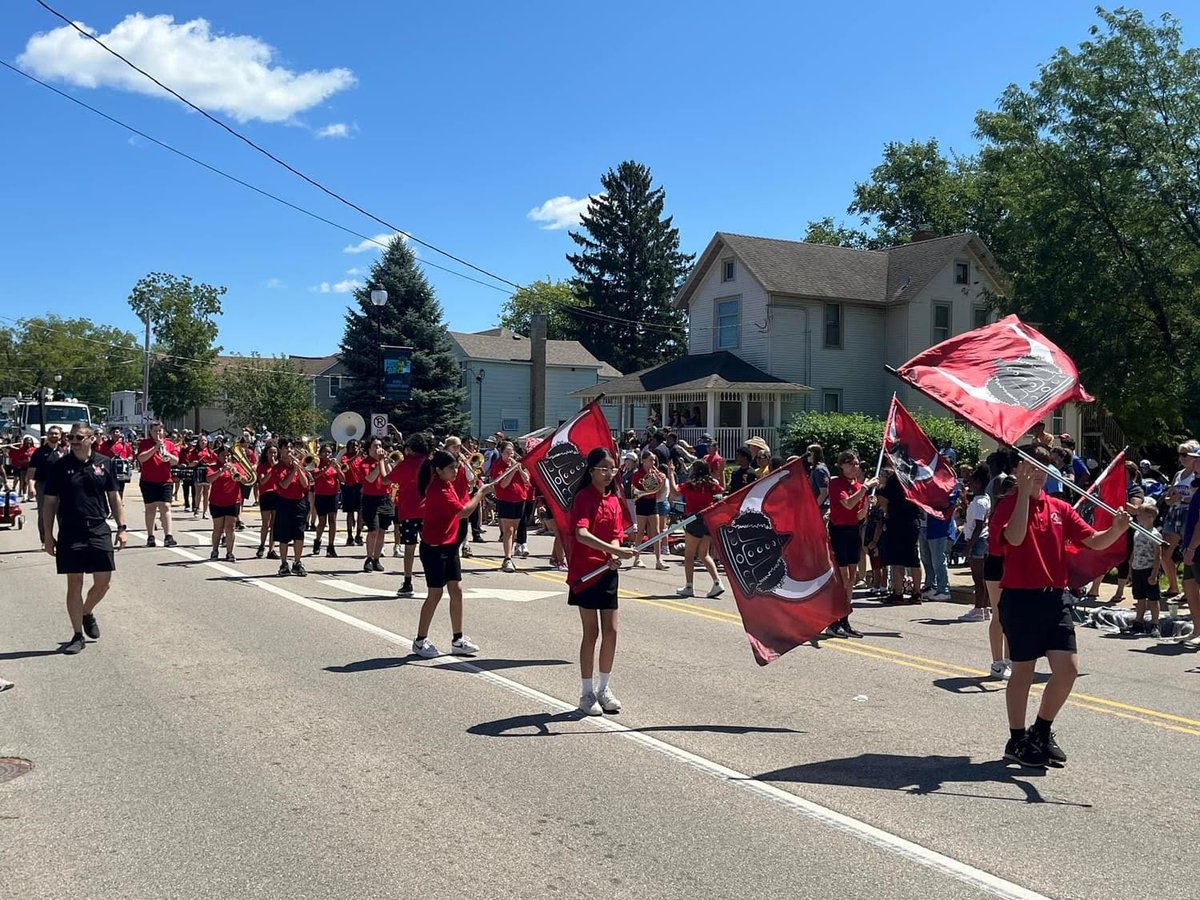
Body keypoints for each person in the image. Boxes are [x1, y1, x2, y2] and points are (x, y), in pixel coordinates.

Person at [992, 443, 1130, 768]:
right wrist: (1024, 495)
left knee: (1068, 669)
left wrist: (1117, 529)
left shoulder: (1060, 507)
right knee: (1023, 670)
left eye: (1041, 465)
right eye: (1029, 466)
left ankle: (1041, 730)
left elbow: (1094, 541)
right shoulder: (1007, 506)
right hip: (1020, 597)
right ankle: (1016, 738)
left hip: (1055, 597)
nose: (1037, 471)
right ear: (1016, 470)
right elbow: (1013, 538)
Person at [41, 424, 128, 654]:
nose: (74, 441)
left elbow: (114, 497)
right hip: (70, 530)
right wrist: (48, 535)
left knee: (103, 582)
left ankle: (87, 611)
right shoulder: (60, 466)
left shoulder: (104, 463)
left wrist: (122, 527)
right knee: (74, 583)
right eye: (71, 437)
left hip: (98, 527)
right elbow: (49, 502)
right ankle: (77, 634)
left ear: (91, 439)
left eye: (79, 437)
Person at [567, 447, 637, 716]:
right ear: (592, 470)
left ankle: (604, 687)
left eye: (612, 469)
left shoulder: (614, 500)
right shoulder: (584, 498)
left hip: (607, 571)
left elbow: (617, 535)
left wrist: (615, 552)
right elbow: (581, 533)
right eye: (604, 468)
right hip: (586, 573)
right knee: (591, 632)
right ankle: (586, 692)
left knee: (612, 630)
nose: (609, 473)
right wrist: (616, 551)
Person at [409, 450, 496, 657]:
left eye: (456, 466)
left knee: (456, 590)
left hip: (449, 546)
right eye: (451, 468)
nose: (455, 470)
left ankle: (458, 639)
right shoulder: (439, 490)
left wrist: (476, 486)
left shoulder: (447, 484)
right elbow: (464, 511)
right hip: (434, 549)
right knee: (435, 593)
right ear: (438, 470)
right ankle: (420, 640)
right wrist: (480, 494)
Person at [826, 451, 877, 636]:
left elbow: (858, 516)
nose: (856, 467)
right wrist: (863, 489)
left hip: (853, 531)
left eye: (857, 464)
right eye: (853, 464)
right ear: (843, 465)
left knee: (851, 578)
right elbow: (846, 504)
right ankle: (833, 620)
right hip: (838, 531)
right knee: (842, 578)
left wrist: (867, 504)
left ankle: (845, 620)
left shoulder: (857, 485)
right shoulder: (836, 483)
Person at [667, 459, 725, 599]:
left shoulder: (690, 485)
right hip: (707, 520)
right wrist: (722, 471)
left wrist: (671, 473)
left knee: (689, 555)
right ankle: (717, 582)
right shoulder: (712, 484)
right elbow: (722, 488)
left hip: (694, 519)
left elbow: (675, 492)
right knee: (703, 554)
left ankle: (689, 586)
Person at [388, 433, 430, 593]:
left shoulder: (404, 464)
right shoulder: (428, 463)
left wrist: (385, 463)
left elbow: (387, 479)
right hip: (428, 510)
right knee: (429, 546)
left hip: (408, 511)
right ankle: (433, 578)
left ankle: (407, 581)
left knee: (409, 548)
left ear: (411, 450)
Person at [878, 465, 922, 605]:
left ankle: (898, 593)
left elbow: (883, 501)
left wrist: (887, 513)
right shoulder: (914, 480)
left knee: (897, 560)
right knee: (913, 558)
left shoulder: (893, 481)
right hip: (912, 521)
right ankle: (916, 592)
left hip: (896, 522)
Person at [1160, 441, 1196, 600]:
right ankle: (1173, 586)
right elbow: (1169, 495)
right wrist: (1170, 499)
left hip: (1189, 513)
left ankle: (1189, 589)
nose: (1182, 458)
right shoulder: (1179, 474)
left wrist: (1184, 499)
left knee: (1189, 552)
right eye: (1180, 454)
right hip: (1174, 513)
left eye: (1185, 454)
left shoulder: (1197, 475)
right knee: (1164, 552)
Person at [272, 439, 312, 576]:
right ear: (280, 451)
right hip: (284, 502)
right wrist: (294, 470)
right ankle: (284, 563)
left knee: (299, 534)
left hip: (299, 502)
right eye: (286, 448)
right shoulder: (277, 468)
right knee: (284, 536)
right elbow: (284, 485)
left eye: (290, 448)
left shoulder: (299, 465)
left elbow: (306, 484)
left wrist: (299, 468)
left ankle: (297, 562)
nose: (289, 450)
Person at [136, 421, 179, 548]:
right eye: (155, 431)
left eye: (160, 430)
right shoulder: (145, 443)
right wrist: (155, 448)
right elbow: (141, 458)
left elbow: (175, 461)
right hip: (148, 480)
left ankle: (168, 536)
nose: (158, 433)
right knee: (151, 508)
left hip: (165, 480)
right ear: (151, 432)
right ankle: (150, 536)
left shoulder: (169, 444)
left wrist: (167, 452)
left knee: (165, 506)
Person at [490, 440, 530, 574]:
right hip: (505, 499)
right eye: (506, 452)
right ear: (501, 453)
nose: (510, 454)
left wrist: (519, 468)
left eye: (511, 452)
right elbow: (503, 484)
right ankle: (507, 557)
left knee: (514, 530)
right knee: (509, 530)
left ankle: (510, 554)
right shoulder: (498, 465)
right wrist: (512, 471)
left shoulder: (519, 463)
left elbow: (527, 480)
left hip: (520, 499)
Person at [206, 444, 251, 562]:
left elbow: (246, 480)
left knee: (230, 528)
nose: (226, 458)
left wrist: (237, 473)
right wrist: (221, 470)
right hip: (217, 501)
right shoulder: (213, 467)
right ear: (218, 456)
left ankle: (230, 552)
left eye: (228, 455)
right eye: (223, 455)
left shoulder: (236, 466)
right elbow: (209, 479)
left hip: (233, 500)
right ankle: (214, 550)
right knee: (218, 528)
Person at [960, 467, 992, 622]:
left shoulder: (979, 502)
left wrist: (968, 546)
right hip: (982, 539)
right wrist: (964, 501)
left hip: (977, 541)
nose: (969, 484)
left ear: (979, 483)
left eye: (972, 481)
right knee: (982, 578)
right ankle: (983, 608)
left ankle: (979, 608)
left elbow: (978, 525)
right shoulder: (983, 499)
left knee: (978, 578)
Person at [1127, 499, 1163, 637]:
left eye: (1140, 514)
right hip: (1137, 569)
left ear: (1150, 517)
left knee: (1153, 600)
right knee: (1140, 598)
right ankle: (1138, 623)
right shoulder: (1137, 532)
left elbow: (1158, 555)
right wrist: (1131, 567)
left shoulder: (1154, 534)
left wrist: (1154, 574)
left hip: (1148, 569)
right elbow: (1134, 551)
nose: (1137, 516)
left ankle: (1155, 624)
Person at [360, 437, 395, 573]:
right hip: (371, 499)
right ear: (369, 449)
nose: (378, 448)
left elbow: (390, 477)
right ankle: (369, 558)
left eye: (380, 445)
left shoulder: (384, 461)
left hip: (385, 498)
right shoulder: (364, 463)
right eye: (375, 446)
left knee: (382, 530)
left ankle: (376, 559)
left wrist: (384, 463)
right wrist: (379, 462)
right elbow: (370, 478)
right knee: (373, 530)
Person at [630, 450, 668, 570]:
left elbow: (660, 491)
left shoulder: (655, 474)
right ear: (644, 461)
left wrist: (662, 480)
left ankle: (658, 560)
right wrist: (649, 486)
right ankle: (637, 558)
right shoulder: (638, 474)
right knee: (641, 532)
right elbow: (636, 488)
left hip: (652, 502)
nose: (653, 462)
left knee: (656, 532)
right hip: (642, 502)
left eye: (654, 460)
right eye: (651, 460)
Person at [29, 425, 66, 543]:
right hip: (43, 486)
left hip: (61, 487)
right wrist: (30, 487)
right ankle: (45, 540)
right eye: (51, 433)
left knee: (63, 514)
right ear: (47, 435)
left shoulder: (64, 452)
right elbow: (31, 472)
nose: (54, 435)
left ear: (60, 436)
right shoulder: (39, 452)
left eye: (56, 433)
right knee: (44, 514)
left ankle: (64, 539)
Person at [310, 443, 344, 558]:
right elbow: (316, 475)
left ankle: (331, 546)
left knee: (333, 522)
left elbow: (343, 479)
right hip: (321, 495)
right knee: (322, 522)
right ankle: (318, 540)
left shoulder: (334, 465)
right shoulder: (317, 463)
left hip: (333, 495)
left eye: (329, 452)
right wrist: (327, 467)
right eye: (325, 452)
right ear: (320, 453)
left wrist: (338, 469)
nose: (328, 454)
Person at [254, 442, 280, 559]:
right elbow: (262, 481)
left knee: (274, 524)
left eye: (275, 452)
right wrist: (272, 469)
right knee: (266, 523)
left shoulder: (279, 465)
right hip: (266, 495)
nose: (273, 455)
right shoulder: (262, 466)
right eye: (270, 452)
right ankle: (262, 545)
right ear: (266, 453)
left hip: (277, 495)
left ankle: (272, 549)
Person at [338, 439, 365, 547]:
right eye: (353, 446)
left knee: (360, 512)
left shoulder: (361, 458)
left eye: (357, 446)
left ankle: (359, 535)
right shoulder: (345, 456)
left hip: (360, 486)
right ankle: (349, 536)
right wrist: (355, 456)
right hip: (349, 486)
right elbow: (344, 464)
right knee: (349, 513)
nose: (355, 447)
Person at [96, 427, 132, 500]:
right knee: (110, 491)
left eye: (117, 432)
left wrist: (126, 459)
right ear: (110, 434)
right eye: (113, 432)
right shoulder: (105, 445)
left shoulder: (125, 444)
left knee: (120, 491)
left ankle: (120, 504)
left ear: (120, 433)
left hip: (120, 471)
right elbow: (100, 455)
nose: (115, 434)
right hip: (109, 470)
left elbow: (131, 456)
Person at [192, 434, 216, 519]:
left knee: (207, 493)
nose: (203, 442)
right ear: (198, 442)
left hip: (207, 472)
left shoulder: (210, 451)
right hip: (198, 471)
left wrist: (211, 464)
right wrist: (193, 463)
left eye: (205, 440)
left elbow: (216, 462)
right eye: (201, 440)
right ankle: (197, 508)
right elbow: (190, 462)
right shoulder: (194, 451)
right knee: (198, 492)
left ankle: (205, 511)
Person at [807, 444, 830, 513]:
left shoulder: (819, 470)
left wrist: (814, 508)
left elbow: (824, 492)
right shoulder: (817, 468)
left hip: (821, 509)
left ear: (812, 454)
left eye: (808, 453)